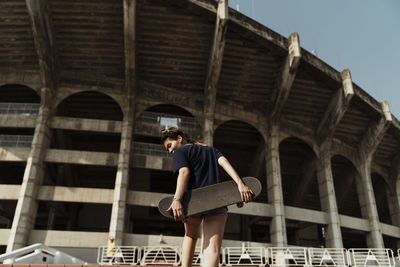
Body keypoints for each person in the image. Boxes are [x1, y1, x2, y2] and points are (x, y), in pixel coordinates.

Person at [161, 127, 253, 267]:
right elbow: (224, 163)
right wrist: (240, 184)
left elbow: (184, 173)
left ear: (179, 139)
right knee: (213, 248)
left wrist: (177, 199)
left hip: (194, 203)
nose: (170, 151)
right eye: (167, 149)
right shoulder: (211, 150)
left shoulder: (181, 152)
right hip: (216, 202)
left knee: (190, 235)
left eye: (169, 145)